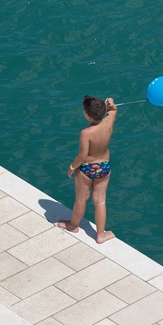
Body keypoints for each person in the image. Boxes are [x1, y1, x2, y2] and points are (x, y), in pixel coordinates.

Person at [57, 94, 117, 243]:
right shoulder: (109, 122)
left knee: (81, 200)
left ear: (88, 116)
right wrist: (111, 104)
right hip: (104, 167)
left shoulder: (86, 133)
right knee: (100, 201)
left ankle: (73, 225)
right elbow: (113, 111)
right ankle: (101, 235)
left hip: (87, 169)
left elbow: (82, 157)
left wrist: (71, 167)